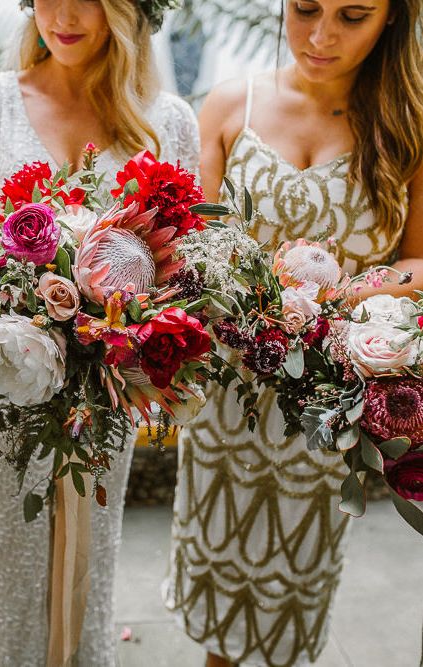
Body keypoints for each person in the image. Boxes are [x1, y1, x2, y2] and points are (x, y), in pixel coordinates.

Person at [0, 0, 199, 664]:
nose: (65, 14)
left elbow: (182, 268)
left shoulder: (168, 122)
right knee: (6, 558)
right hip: (3, 384)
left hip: (106, 387)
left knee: (93, 548)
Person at [164, 1, 423, 665]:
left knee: (294, 586)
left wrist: (341, 296)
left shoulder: (408, 126)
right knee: (217, 588)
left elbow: (418, 260)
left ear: (390, 18)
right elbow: (187, 250)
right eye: (303, 8)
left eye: (351, 16)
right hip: (228, 397)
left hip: (327, 403)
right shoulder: (227, 109)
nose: (319, 35)